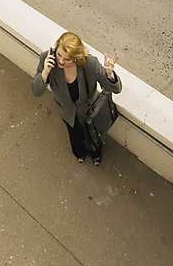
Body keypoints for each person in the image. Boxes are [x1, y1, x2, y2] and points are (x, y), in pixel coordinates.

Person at [31, 32, 121, 166]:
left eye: (67, 59)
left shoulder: (89, 63)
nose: (61, 61)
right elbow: (36, 91)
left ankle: (96, 154)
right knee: (75, 136)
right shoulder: (48, 59)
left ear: (76, 58)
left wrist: (109, 74)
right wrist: (45, 73)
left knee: (93, 136)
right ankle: (79, 153)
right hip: (67, 113)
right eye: (59, 55)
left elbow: (116, 89)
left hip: (89, 111)